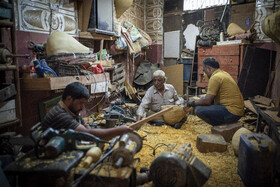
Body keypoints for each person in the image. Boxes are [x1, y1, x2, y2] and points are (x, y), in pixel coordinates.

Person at [42, 82, 132, 140]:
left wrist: (91, 132)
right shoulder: (60, 114)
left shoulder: (71, 110)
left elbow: (85, 126)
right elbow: (86, 134)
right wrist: (118, 130)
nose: (82, 107)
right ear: (69, 99)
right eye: (80, 103)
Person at [183, 57, 244, 126]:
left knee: (199, 110)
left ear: (209, 68)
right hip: (238, 111)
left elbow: (207, 101)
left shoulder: (215, 77)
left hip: (232, 113)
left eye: (204, 70)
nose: (204, 73)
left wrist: (191, 103)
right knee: (202, 102)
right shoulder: (223, 73)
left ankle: (219, 126)